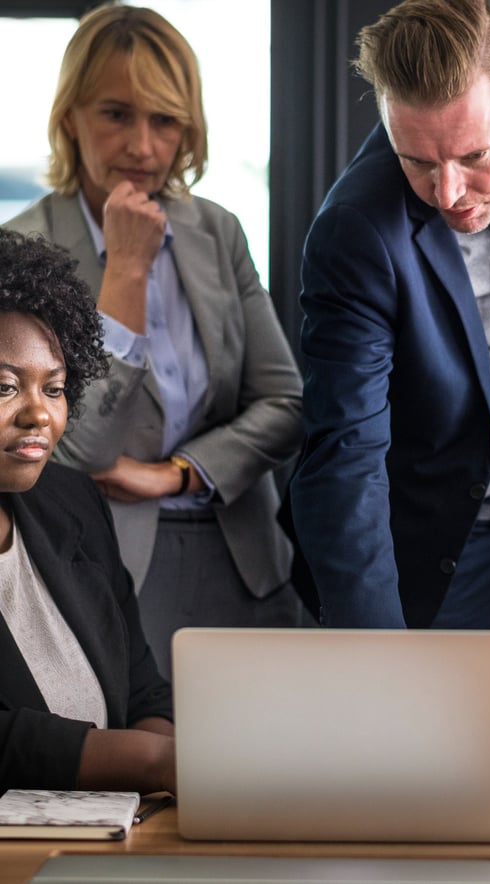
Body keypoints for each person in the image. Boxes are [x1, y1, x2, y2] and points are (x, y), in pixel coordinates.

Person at [288, 0, 490, 771]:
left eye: (476, 156)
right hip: (418, 554)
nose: (450, 191)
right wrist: (380, 662)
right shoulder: (355, 233)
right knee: (411, 781)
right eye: (418, 161)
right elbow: (343, 456)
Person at [6, 4, 304, 678]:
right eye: (116, 114)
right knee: (154, 773)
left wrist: (174, 474)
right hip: (105, 565)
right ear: (71, 115)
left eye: (165, 120)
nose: (143, 147)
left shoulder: (217, 230)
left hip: (246, 559)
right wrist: (129, 270)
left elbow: (285, 404)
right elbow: (75, 447)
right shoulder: (21, 250)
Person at [0, 227, 175, 794]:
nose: (38, 416)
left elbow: (143, 690)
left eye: (53, 388)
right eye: (5, 387)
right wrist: (146, 762)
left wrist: (159, 788)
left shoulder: (70, 500)